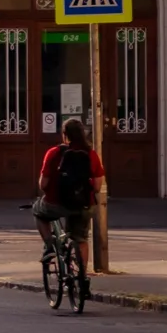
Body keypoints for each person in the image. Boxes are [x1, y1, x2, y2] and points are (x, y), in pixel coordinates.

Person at [35, 116, 105, 292]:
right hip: (83, 205)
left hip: (55, 203)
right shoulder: (91, 154)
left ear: (64, 135)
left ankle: (49, 245)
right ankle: (82, 277)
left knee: (38, 211)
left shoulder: (53, 153)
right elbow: (98, 186)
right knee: (80, 239)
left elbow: (43, 184)